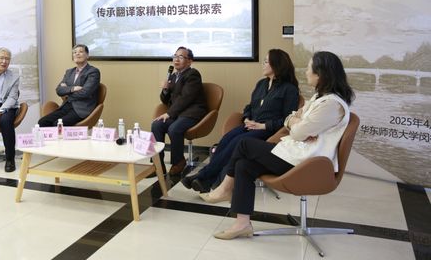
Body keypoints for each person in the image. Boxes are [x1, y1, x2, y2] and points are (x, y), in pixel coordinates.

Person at [199, 51, 354, 240]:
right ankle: (242, 224)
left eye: (309, 68)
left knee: (245, 144)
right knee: (244, 165)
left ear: (320, 73)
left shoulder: (331, 105)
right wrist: (296, 121)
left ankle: (225, 188)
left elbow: (296, 132)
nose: (306, 72)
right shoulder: (318, 99)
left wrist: (297, 124)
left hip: (307, 163)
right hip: (295, 153)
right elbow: (291, 118)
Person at [182, 49, 299, 192]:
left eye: (266, 62)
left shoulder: (289, 89)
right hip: (250, 126)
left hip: (268, 131)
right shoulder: (261, 84)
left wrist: (263, 126)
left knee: (236, 142)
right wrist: (246, 118)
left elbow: (288, 120)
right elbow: (249, 106)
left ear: (276, 65)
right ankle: (205, 181)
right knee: (226, 139)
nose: (263, 64)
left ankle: (202, 176)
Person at [151, 46, 207, 176]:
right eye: (175, 56)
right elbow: (165, 101)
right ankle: (157, 164)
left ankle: (178, 162)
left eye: (181, 57)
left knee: (174, 129)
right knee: (157, 125)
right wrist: (165, 89)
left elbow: (186, 98)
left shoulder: (193, 74)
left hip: (191, 112)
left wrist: (169, 113)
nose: (176, 59)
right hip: (178, 113)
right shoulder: (173, 76)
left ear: (190, 61)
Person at [38, 44, 101, 127]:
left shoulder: (93, 72)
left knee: (57, 124)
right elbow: (59, 90)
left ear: (87, 55)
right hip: (66, 106)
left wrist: (67, 92)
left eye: (81, 51)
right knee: (42, 122)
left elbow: (85, 93)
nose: (77, 54)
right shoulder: (69, 72)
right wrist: (73, 88)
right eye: (75, 52)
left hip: (82, 109)